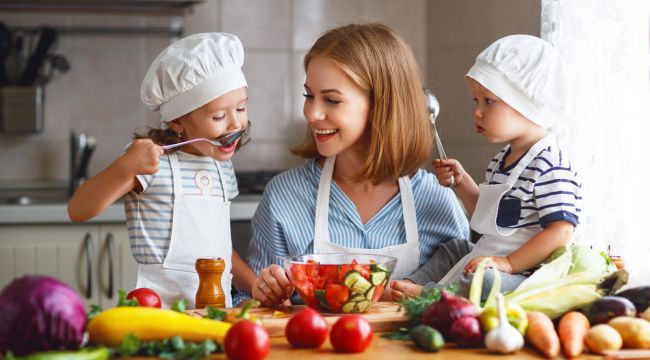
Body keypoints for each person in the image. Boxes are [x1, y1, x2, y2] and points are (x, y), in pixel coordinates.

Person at [236, 23, 470, 307]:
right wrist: (266, 291)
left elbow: (460, 305)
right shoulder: (284, 197)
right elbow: (250, 308)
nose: (312, 113)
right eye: (309, 95)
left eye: (332, 100)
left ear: (381, 105)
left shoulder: (437, 200)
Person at [67, 32, 257, 308]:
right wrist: (124, 168)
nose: (235, 124)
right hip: (159, 313)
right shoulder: (149, 163)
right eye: (218, 116)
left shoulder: (220, 167)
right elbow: (78, 209)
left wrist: (254, 286)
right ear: (178, 121)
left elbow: (219, 248)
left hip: (217, 311)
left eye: (241, 108)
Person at [390, 34, 582, 300]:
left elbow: (561, 230)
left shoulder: (550, 164)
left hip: (524, 273)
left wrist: (510, 264)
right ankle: (407, 284)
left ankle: (429, 295)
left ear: (525, 103)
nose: (477, 112)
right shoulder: (502, 159)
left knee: (488, 280)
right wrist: (462, 183)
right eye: (476, 101)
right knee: (455, 248)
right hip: (492, 255)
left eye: (488, 101)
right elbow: (490, 219)